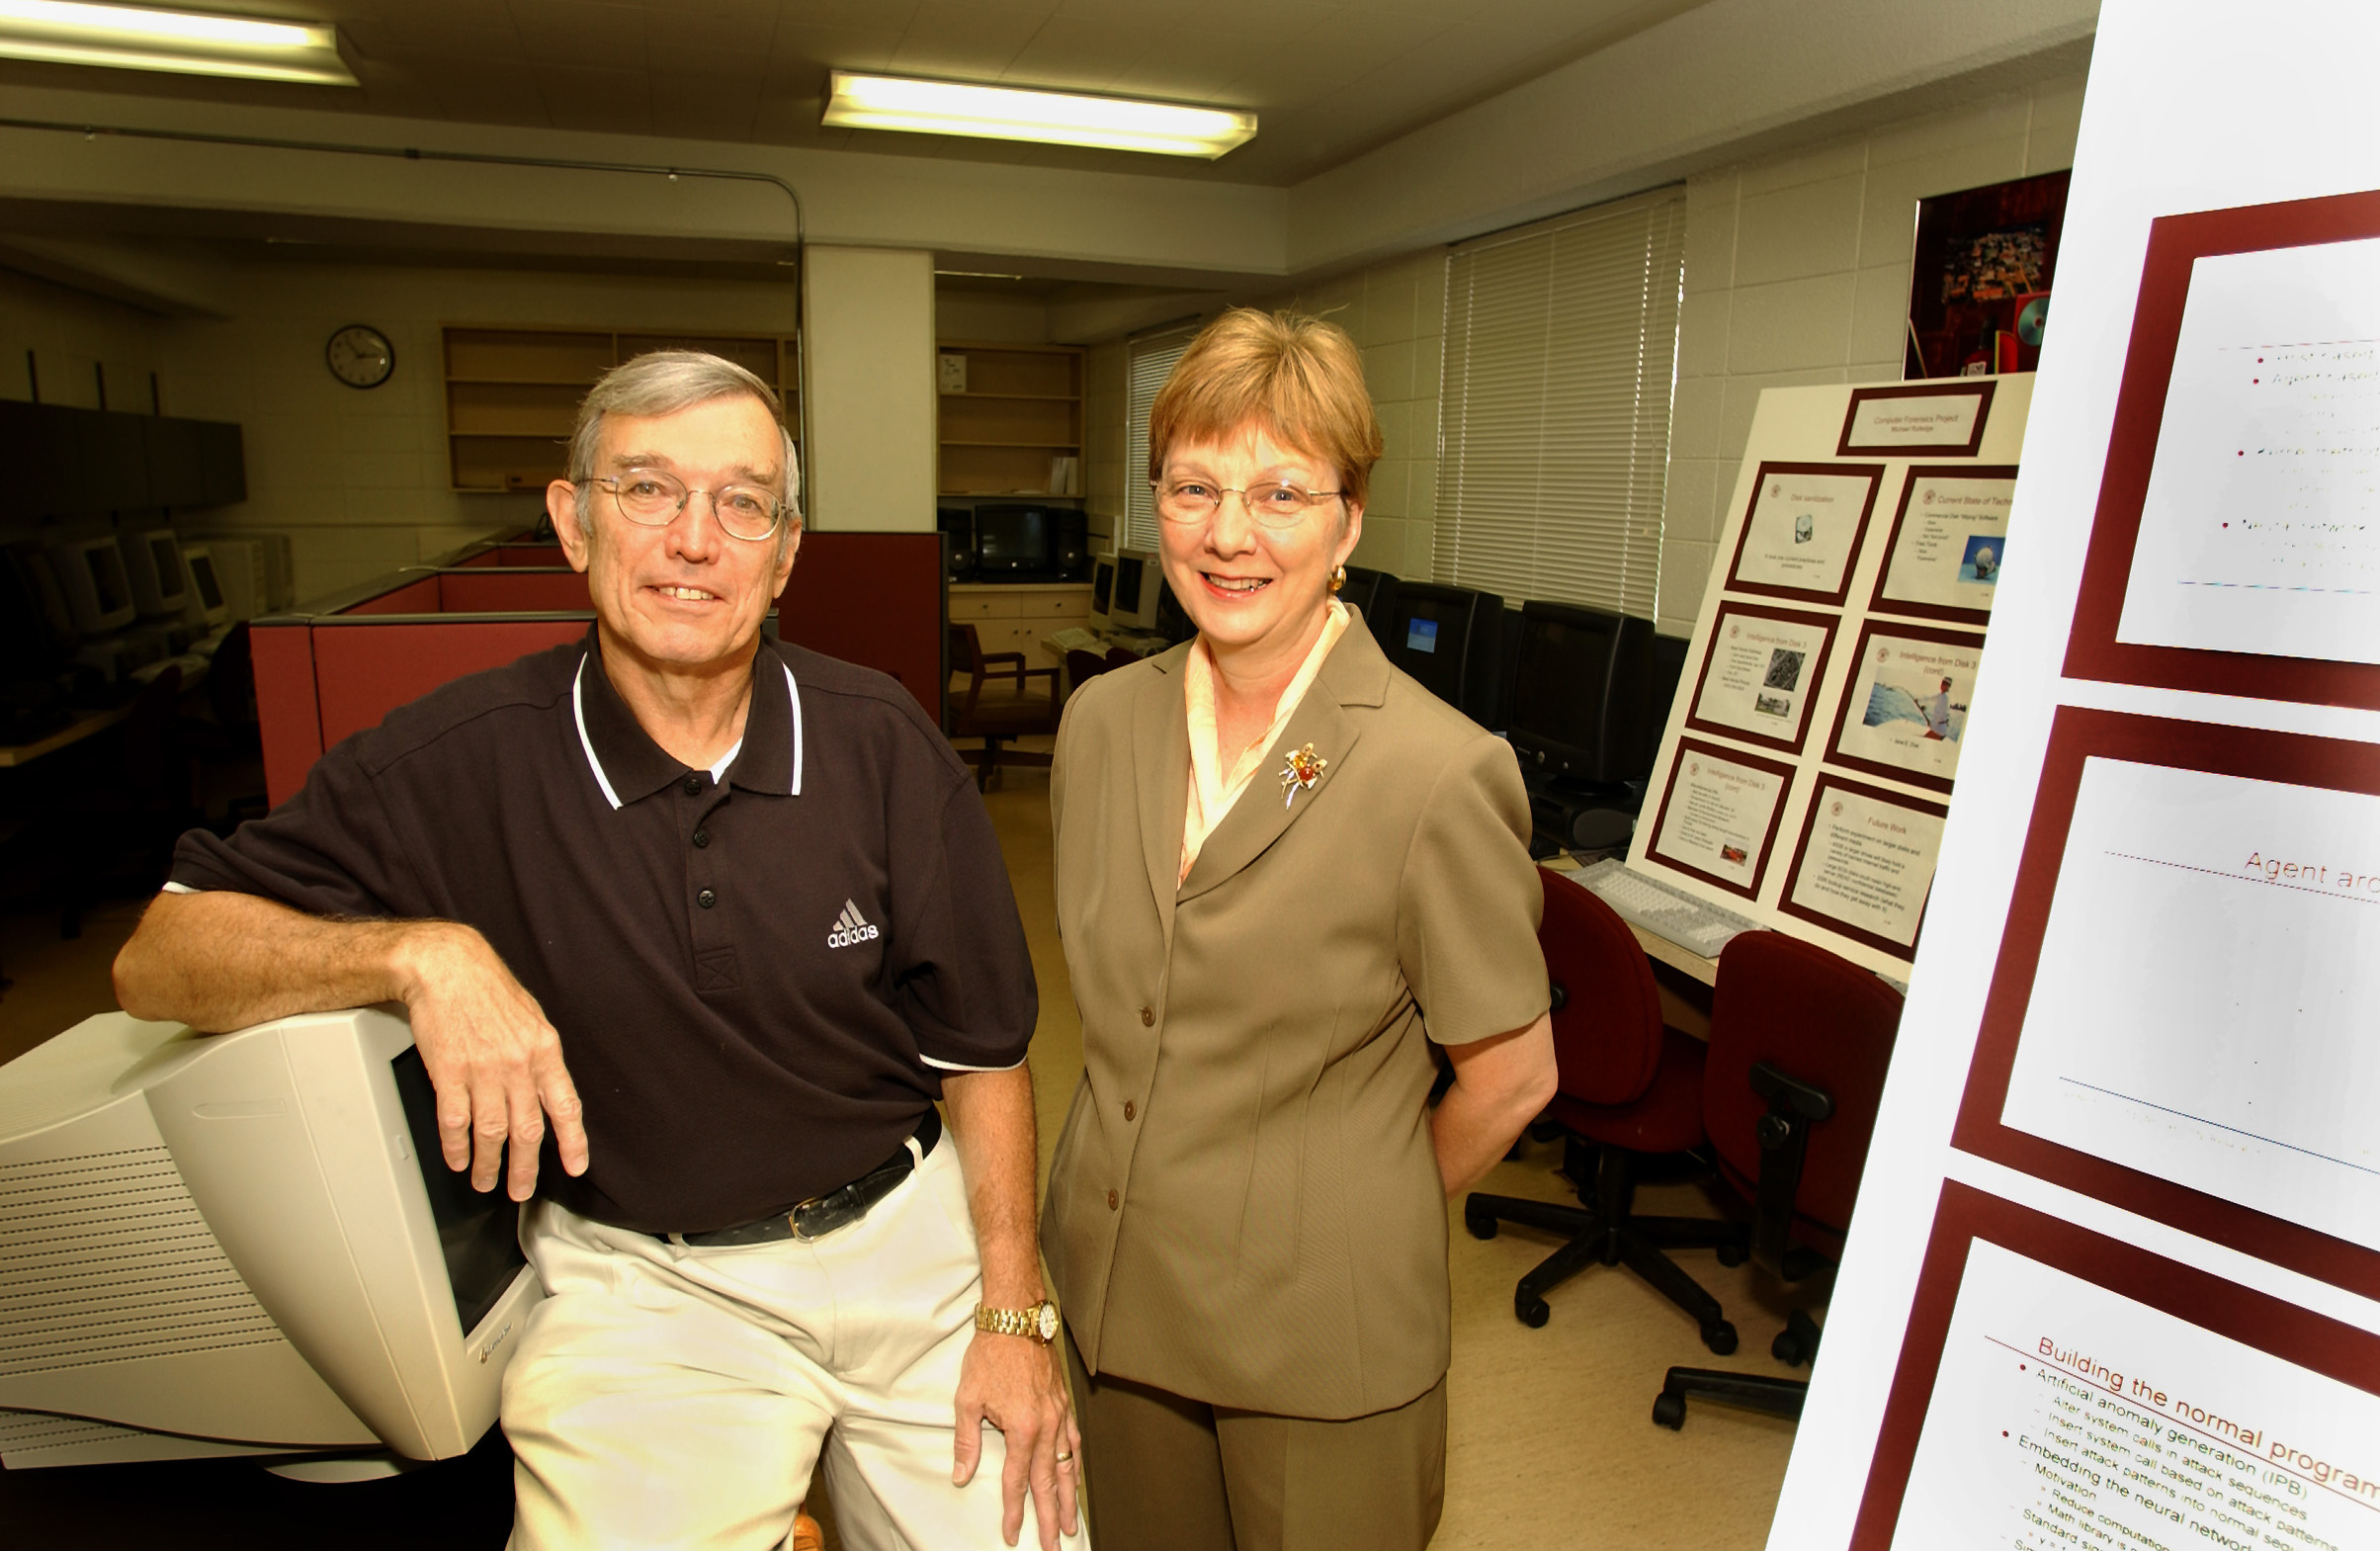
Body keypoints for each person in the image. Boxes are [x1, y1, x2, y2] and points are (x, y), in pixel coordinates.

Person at [112, 352, 1085, 1551]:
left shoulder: (884, 743)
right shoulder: (459, 761)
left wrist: (1014, 1314)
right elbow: (159, 957)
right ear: (573, 522)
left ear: (784, 555)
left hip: (911, 1246)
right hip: (651, 1290)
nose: (694, 540)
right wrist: (425, 955)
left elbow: (981, 1054)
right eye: (647, 490)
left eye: (741, 503)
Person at [1041, 310, 1558, 1550]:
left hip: (1322, 1336)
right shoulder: (1101, 723)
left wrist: (1354, 1211)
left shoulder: (1435, 768)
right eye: (1192, 487)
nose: (1227, 535)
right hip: (1116, 1297)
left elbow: (1511, 1074)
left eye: (1279, 492)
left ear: (1350, 521)